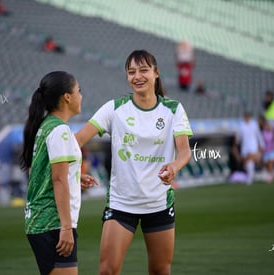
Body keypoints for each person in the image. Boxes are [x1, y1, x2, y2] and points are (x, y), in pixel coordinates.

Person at [75, 49, 193, 275]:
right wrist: (73, 172)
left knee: (160, 271)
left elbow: (185, 152)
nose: (137, 76)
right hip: (121, 204)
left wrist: (174, 167)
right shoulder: (114, 108)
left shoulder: (173, 109)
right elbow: (77, 140)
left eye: (143, 70)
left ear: (156, 73)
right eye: (131, 72)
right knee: (107, 271)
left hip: (159, 203)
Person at [20, 71, 97, 275]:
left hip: (42, 221)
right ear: (67, 97)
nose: (81, 96)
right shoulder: (60, 130)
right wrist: (66, 227)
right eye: (79, 91)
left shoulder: (47, 125)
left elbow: (43, 171)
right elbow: (58, 179)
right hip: (52, 222)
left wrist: (75, 178)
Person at [236, 112, 264, 184]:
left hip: (253, 146)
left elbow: (258, 135)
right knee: (247, 163)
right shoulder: (241, 125)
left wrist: (261, 145)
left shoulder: (254, 124)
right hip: (244, 147)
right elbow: (238, 137)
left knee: (250, 161)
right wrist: (237, 142)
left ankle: (250, 177)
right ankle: (251, 175)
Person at [260, 117, 274, 183]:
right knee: (267, 165)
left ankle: (271, 176)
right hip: (265, 151)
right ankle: (272, 174)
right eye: (265, 126)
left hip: (272, 151)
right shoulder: (263, 133)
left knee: (270, 163)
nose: (266, 127)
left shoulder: (272, 133)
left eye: (267, 126)